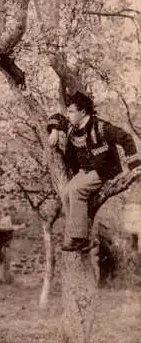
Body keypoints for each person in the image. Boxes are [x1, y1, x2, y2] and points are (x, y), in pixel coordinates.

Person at [47, 91, 141, 252]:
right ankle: (84, 236)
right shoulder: (71, 126)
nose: (68, 115)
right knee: (66, 192)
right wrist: (55, 130)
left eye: (71, 111)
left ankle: (80, 238)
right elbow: (57, 117)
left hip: (104, 171)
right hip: (85, 171)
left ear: (83, 112)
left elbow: (125, 138)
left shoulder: (101, 127)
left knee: (77, 191)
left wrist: (133, 165)